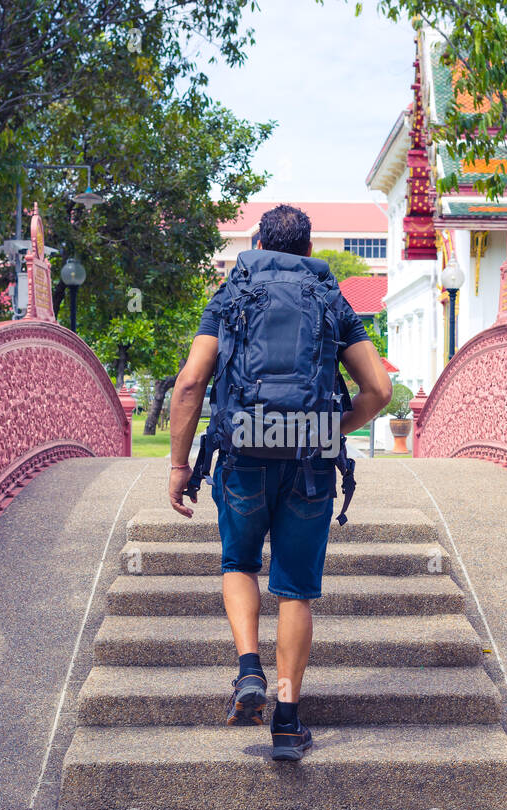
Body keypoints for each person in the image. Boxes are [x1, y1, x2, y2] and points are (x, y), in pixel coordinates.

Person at [167, 204, 392, 760]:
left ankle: (249, 671)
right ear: (309, 249)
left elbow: (191, 383)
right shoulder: (330, 300)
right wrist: (328, 429)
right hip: (310, 460)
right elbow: (379, 391)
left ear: (260, 243)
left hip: (243, 453)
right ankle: (287, 721)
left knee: (239, 564)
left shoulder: (231, 296)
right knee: (293, 588)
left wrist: (178, 466)